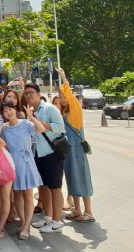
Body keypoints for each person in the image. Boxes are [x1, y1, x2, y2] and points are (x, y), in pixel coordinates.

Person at [24, 82, 66, 233]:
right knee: (43, 187)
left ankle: (56, 221)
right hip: (37, 154)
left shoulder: (49, 108)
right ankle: (47, 218)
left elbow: (60, 127)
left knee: (55, 188)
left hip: (52, 153)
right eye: (26, 93)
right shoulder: (29, 110)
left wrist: (39, 122)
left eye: (31, 93)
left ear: (38, 93)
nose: (28, 96)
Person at [56, 68, 95, 222]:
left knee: (82, 178)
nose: (63, 99)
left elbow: (70, 96)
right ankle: (77, 209)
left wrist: (63, 77)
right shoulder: (63, 113)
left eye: (65, 96)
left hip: (77, 152)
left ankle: (89, 212)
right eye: (60, 97)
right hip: (68, 152)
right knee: (71, 179)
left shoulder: (75, 110)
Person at [2, 102, 44, 240]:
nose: (9, 112)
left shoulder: (25, 123)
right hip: (12, 162)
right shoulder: (4, 128)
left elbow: (41, 129)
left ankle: (27, 225)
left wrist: (31, 117)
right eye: (5, 111)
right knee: (17, 194)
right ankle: (22, 221)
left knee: (27, 194)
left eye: (10, 109)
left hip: (26, 161)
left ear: (15, 110)